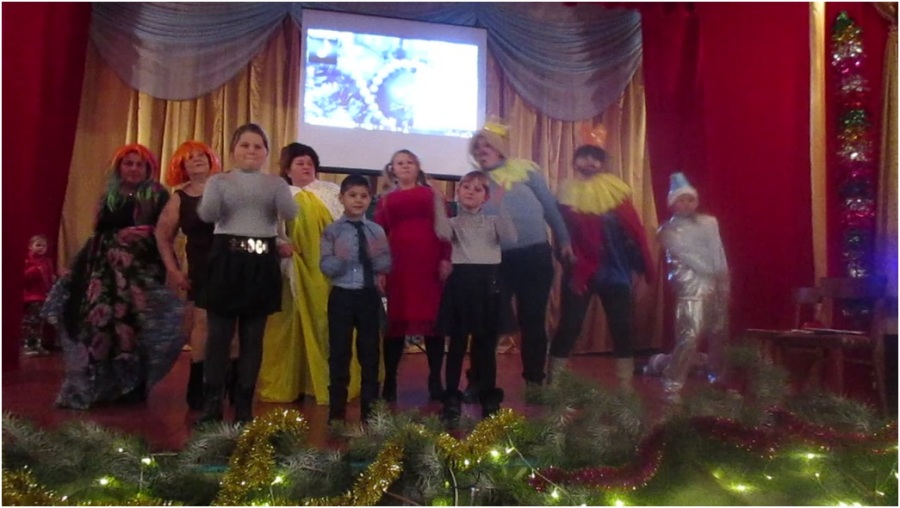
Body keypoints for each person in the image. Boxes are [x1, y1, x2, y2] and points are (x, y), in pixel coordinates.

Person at [53, 144, 183, 410]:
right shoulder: (109, 195)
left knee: (135, 328)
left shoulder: (157, 194)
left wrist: (135, 239)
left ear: (148, 168)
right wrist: (76, 266)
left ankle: (133, 385)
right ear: (119, 167)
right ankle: (102, 385)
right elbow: (97, 235)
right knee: (100, 327)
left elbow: (163, 234)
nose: (133, 169)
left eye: (139, 164)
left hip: (140, 273)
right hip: (104, 275)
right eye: (128, 163)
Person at [196, 123, 298, 424]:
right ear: (233, 150)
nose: (251, 151)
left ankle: (243, 405)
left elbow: (291, 214)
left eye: (258, 146)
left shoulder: (275, 184)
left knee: (253, 338)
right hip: (226, 258)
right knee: (219, 336)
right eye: (245, 145)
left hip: (261, 261)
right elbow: (207, 215)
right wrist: (215, 189)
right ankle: (212, 403)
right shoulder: (219, 181)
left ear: (266, 152)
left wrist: (281, 190)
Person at [469, 120, 573, 394]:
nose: (481, 150)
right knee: (488, 323)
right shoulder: (475, 180)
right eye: (477, 146)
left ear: (499, 147)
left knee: (533, 320)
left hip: (535, 256)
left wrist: (564, 240)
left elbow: (550, 207)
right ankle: (478, 382)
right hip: (495, 260)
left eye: (487, 144)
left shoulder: (526, 171)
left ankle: (535, 382)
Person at [258, 142, 361, 404]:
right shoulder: (279, 194)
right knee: (291, 326)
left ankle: (330, 383)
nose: (306, 167)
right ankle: (295, 384)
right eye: (300, 163)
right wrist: (279, 244)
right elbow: (268, 228)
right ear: (287, 169)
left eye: (310, 163)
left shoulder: (331, 192)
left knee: (327, 323)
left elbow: (350, 223)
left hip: (329, 271)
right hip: (295, 269)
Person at [548, 145, 655, 391]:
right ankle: (554, 383)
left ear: (602, 164)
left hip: (616, 271)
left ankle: (625, 386)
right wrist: (565, 258)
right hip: (580, 272)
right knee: (569, 325)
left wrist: (638, 268)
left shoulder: (616, 192)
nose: (590, 162)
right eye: (584, 157)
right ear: (575, 161)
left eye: (595, 159)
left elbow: (633, 232)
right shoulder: (565, 194)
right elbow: (560, 235)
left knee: (622, 328)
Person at [435, 170, 516, 425]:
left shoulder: (492, 221)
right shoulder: (454, 223)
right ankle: (451, 398)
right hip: (461, 284)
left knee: (486, 347)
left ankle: (488, 396)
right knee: (457, 344)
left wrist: (501, 206)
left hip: (488, 285)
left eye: (477, 189)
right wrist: (438, 202)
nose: (470, 192)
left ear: (486, 197)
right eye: (466, 187)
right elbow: (441, 232)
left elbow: (510, 236)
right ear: (458, 192)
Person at [374, 149, 451, 402]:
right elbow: (378, 235)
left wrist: (445, 258)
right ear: (392, 169)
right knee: (396, 322)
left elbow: (444, 228)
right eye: (400, 163)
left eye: (409, 162)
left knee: (433, 322)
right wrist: (381, 268)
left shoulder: (433, 194)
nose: (405, 166)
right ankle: (390, 381)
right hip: (399, 264)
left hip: (428, 263)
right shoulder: (386, 199)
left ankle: (435, 380)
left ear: (417, 167)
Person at [155, 140, 221, 410]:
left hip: (232, 266)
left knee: (234, 327)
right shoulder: (179, 197)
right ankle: (197, 387)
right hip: (201, 269)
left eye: (201, 155)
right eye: (190, 157)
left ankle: (230, 386)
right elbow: (162, 235)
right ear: (181, 165)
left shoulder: (225, 187)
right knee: (202, 324)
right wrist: (173, 270)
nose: (197, 159)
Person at [320, 174, 391, 423]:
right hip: (341, 295)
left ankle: (370, 413)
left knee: (370, 353)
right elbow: (325, 266)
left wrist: (377, 256)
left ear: (370, 199)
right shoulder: (333, 230)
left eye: (363, 196)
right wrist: (340, 259)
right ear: (341, 198)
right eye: (352, 195)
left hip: (368, 295)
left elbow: (386, 264)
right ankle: (336, 413)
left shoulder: (375, 230)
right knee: (339, 353)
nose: (358, 201)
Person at [657, 172, 730, 403]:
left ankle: (717, 379)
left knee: (719, 333)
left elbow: (718, 252)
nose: (687, 204)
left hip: (717, 285)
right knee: (689, 335)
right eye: (681, 200)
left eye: (691, 199)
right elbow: (688, 257)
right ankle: (671, 384)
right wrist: (711, 272)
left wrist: (723, 280)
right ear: (672, 203)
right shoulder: (668, 231)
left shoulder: (709, 223)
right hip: (691, 288)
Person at [22, 234, 55, 356]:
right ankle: (29, 345)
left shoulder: (47, 261)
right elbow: (23, 278)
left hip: (44, 296)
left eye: (44, 246)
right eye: (38, 245)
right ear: (30, 247)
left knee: (40, 323)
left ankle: (37, 344)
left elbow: (49, 278)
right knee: (31, 322)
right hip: (32, 297)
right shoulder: (27, 261)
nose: (41, 248)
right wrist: (35, 270)